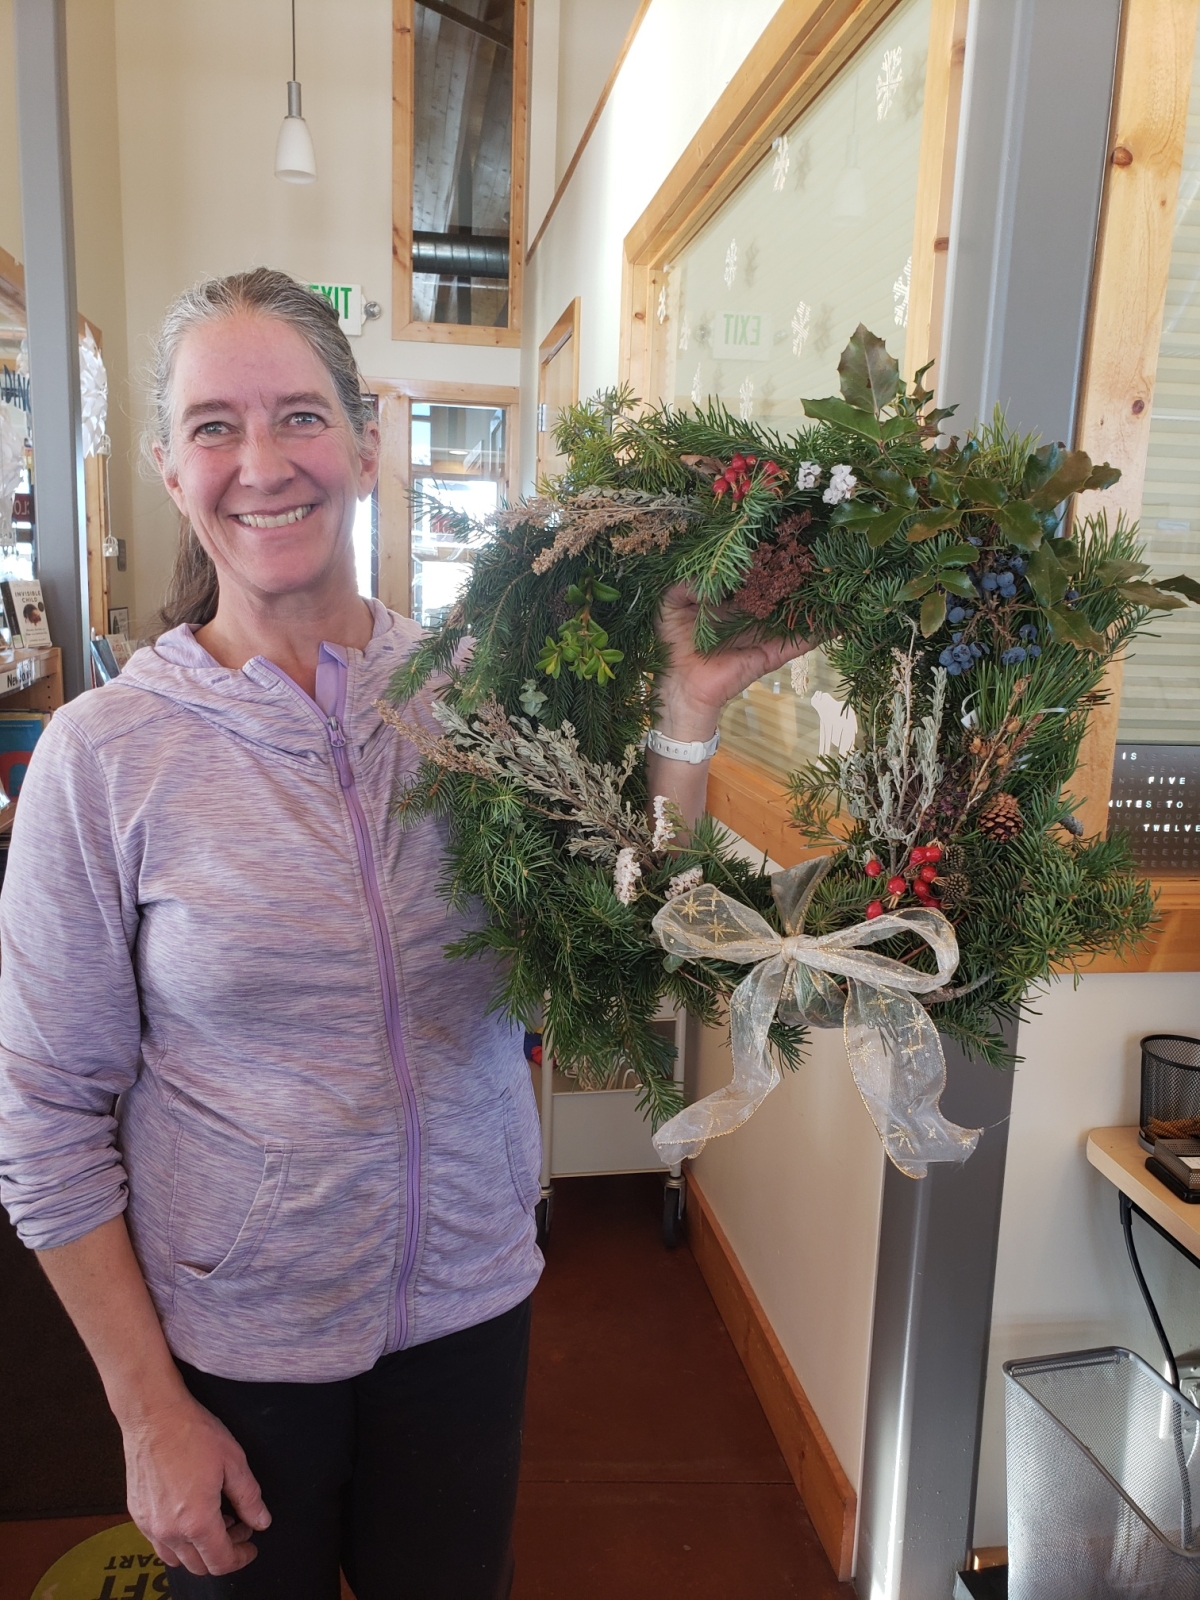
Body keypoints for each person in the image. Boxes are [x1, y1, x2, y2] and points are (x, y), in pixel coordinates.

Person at [0, 269, 801, 1599]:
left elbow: (624, 939)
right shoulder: (105, 757)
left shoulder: (482, 700)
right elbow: (45, 1115)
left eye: (300, 417)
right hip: (236, 1345)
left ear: (365, 446)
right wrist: (146, 1416)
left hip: (468, 1310)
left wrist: (689, 712)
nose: (263, 463)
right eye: (214, 427)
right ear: (168, 468)